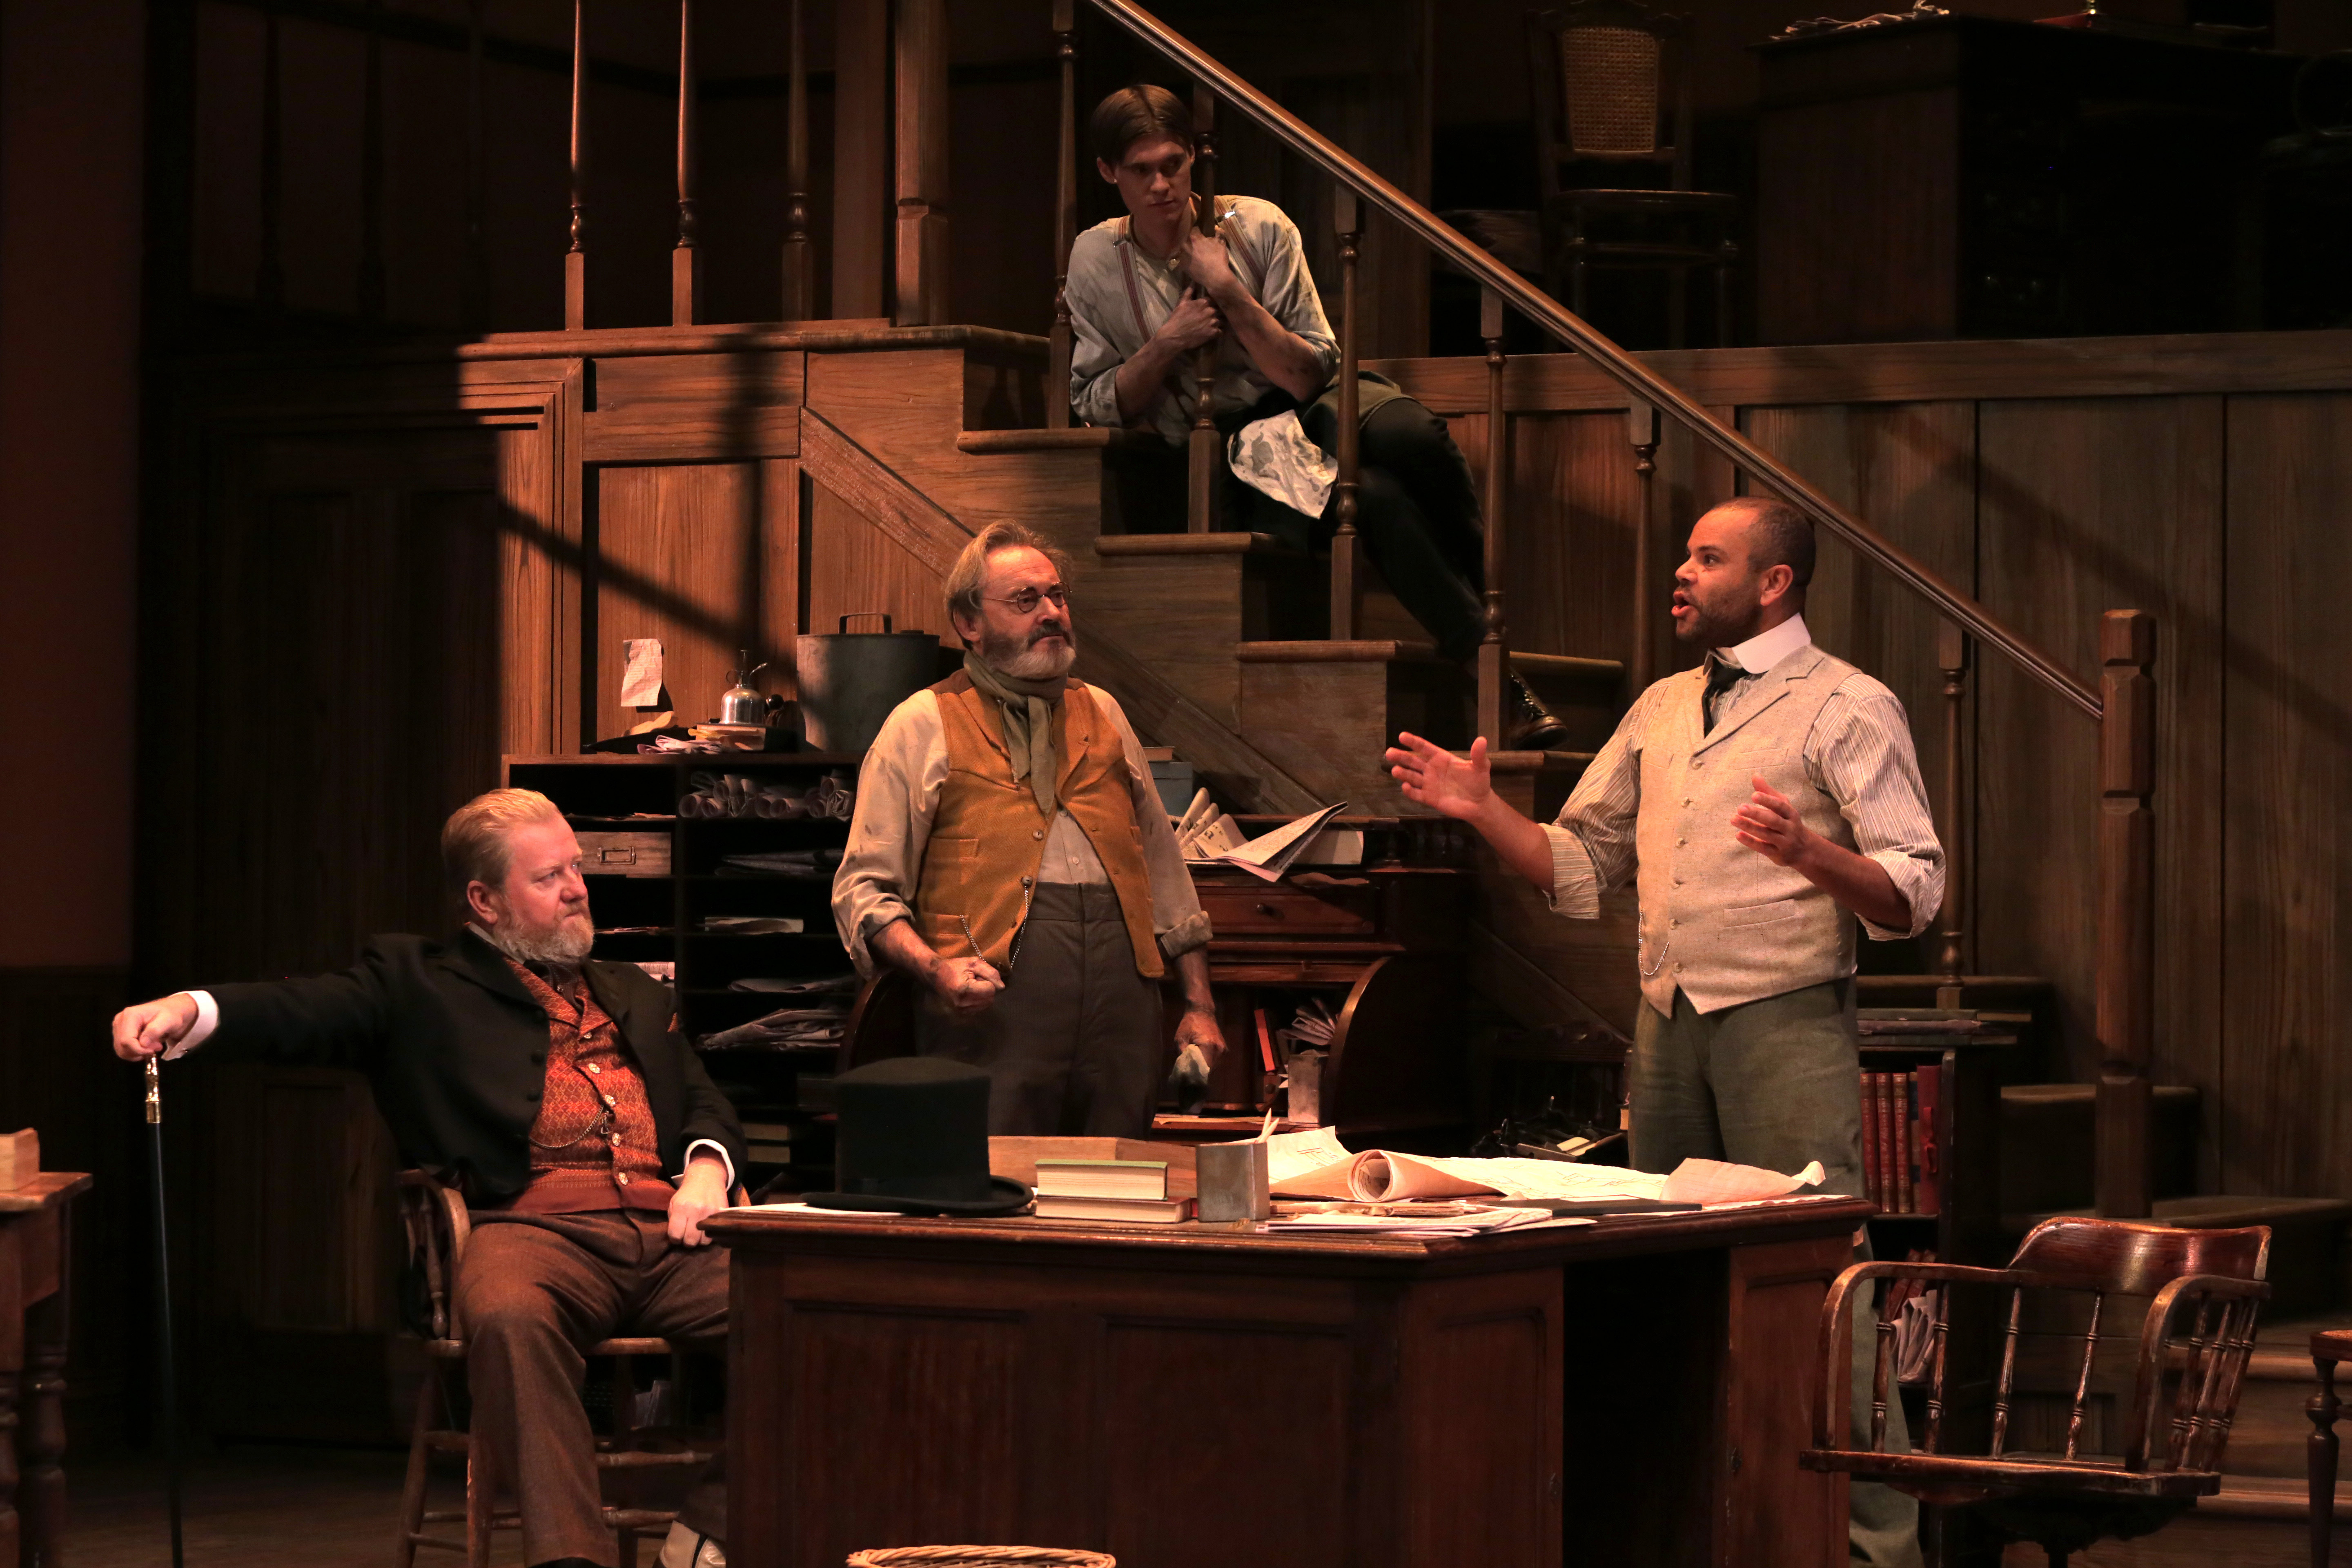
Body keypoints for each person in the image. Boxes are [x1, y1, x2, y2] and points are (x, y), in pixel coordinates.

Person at [1384, 496, 1944, 1568]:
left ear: (1774, 583)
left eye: (1708, 558)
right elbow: (1583, 867)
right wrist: (1483, 810)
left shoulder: (1847, 705)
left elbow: (1914, 890)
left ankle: (1877, 1548)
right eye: (1685, 555)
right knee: (1658, 1276)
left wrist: (1810, 853)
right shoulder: (1661, 706)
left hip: (1784, 1021)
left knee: (1822, 1284)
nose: (1681, 573)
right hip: (1668, 1022)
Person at [110, 790, 742, 1568]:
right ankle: (572, 1560)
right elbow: (300, 1010)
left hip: (671, 1229)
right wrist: (188, 1009)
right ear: (484, 900)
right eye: (549, 877)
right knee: (510, 1318)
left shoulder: (635, 990)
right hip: (529, 1231)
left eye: (576, 867)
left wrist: (706, 1169)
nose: (578, 888)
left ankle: (712, 1524)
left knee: (818, 1307)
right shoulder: (418, 982)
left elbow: (705, 1099)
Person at [1065, 83, 1561, 745]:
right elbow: (1096, 403)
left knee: (1413, 434)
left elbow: (1307, 374)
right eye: (1141, 171)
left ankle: (1494, 630)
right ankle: (1494, 671)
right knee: (1375, 498)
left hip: (1307, 399)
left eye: (1173, 165)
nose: (1162, 186)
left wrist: (1228, 290)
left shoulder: (1258, 225)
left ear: (1193, 158)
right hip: (1239, 447)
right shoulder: (1096, 258)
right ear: (1109, 173)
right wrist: (1168, 342)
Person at [832, 521, 1225, 1135]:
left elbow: (1165, 871)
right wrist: (937, 971)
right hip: (989, 1025)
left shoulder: (1103, 711)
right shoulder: (922, 722)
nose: (1052, 613)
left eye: (1057, 596)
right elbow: (863, 891)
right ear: (969, 622)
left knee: (1119, 1183)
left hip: (1122, 1021)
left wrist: (1200, 1005)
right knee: (1000, 1183)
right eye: (1025, 600)